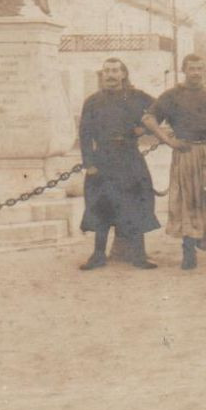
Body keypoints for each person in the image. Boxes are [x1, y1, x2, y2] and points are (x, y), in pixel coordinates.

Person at [144, 54, 206, 270]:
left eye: (200, 68)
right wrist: (169, 141)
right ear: (184, 70)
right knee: (187, 201)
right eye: (192, 68)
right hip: (186, 153)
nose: (196, 73)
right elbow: (149, 119)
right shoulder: (172, 95)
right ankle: (188, 253)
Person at [77, 58, 160, 270]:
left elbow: (161, 111)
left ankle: (139, 255)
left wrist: (144, 129)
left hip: (129, 157)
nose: (111, 75)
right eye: (107, 71)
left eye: (115, 71)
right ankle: (98, 255)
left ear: (124, 74)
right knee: (101, 206)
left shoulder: (138, 97)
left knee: (136, 203)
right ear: (102, 75)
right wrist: (89, 163)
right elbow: (84, 135)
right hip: (103, 158)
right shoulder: (93, 101)